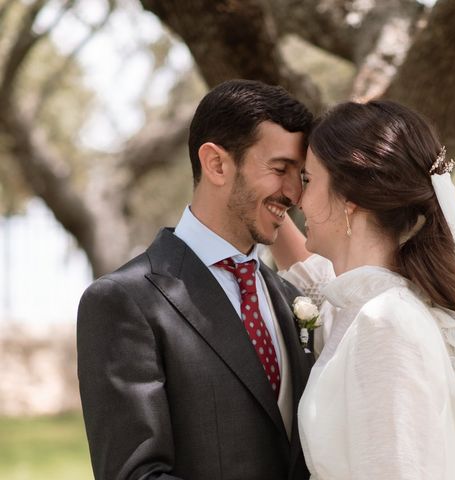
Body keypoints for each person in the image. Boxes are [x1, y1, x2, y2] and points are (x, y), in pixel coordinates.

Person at [77, 79, 315, 480]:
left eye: (302, 176)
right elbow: (136, 474)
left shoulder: (292, 299)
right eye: (280, 170)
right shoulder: (124, 301)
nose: (294, 193)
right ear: (217, 164)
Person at [271, 100, 455, 479]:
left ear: (350, 202)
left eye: (308, 180)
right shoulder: (366, 303)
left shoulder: (385, 323)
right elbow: (314, 279)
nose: (295, 197)